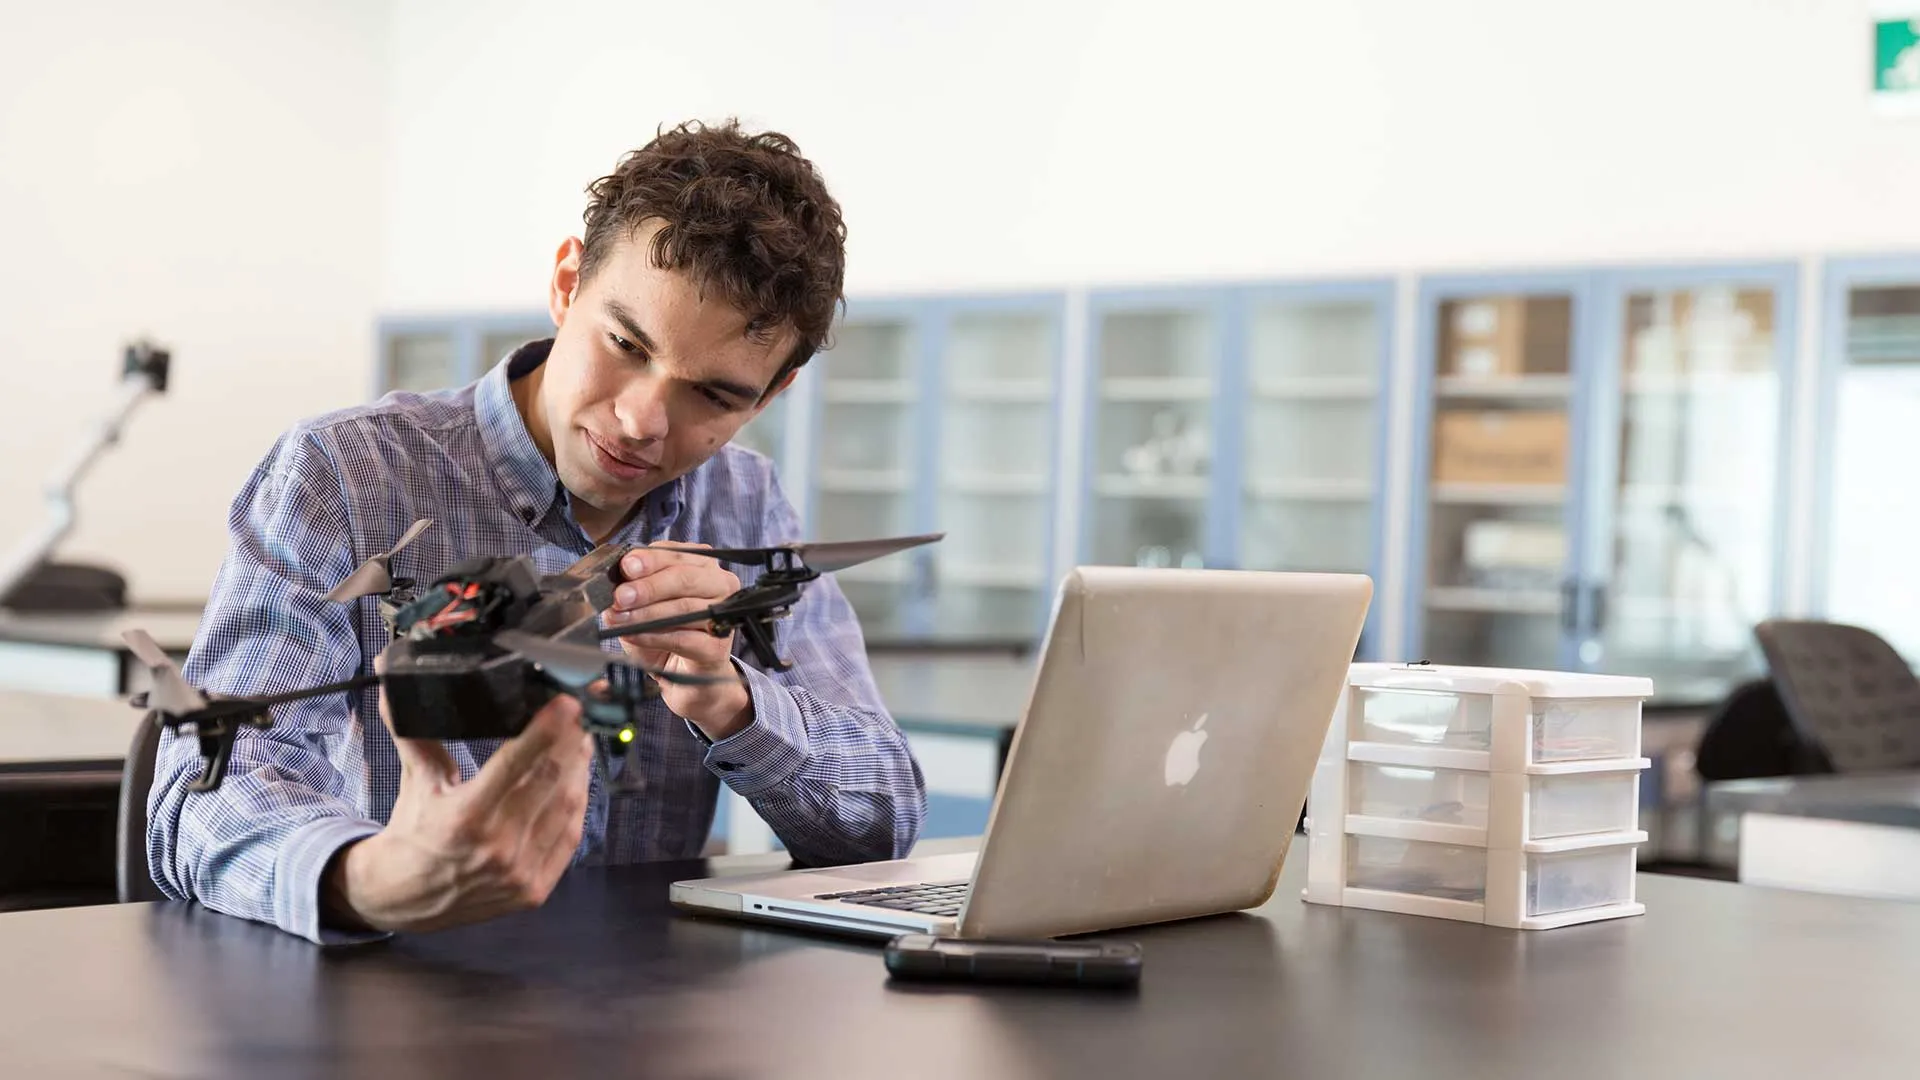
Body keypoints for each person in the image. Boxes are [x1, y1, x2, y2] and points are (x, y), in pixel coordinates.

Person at [148, 119, 928, 944]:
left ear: (772, 394)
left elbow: (884, 818)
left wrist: (734, 703)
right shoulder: (344, 475)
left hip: (647, 1003)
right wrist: (373, 880)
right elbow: (199, 799)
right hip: (385, 986)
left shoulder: (745, 503)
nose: (642, 420)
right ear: (565, 285)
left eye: (713, 395)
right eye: (625, 343)